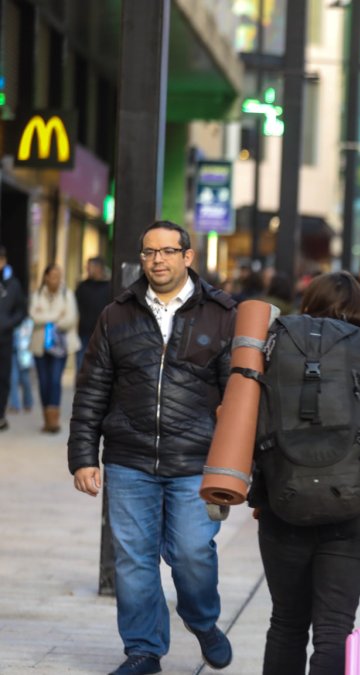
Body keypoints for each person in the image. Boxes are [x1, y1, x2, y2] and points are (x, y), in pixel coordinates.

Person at [68, 221, 237, 675]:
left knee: (192, 553)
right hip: (129, 459)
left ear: (188, 256)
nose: (157, 260)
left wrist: (241, 465)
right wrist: (84, 456)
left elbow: (240, 399)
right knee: (134, 560)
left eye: (167, 251)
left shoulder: (222, 314)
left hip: (195, 461)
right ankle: (143, 650)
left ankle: (202, 621)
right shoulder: (117, 314)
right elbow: (92, 390)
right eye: (148, 253)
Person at [255, 271, 360, 674]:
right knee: (335, 629)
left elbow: (238, 425)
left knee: (286, 624)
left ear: (307, 307)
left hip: (285, 507)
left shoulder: (271, 360)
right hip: (356, 510)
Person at [29, 264, 80, 434]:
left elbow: (71, 318)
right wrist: (56, 317)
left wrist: (48, 319)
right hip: (40, 346)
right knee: (43, 382)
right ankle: (46, 418)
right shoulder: (37, 295)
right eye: (53, 275)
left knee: (54, 380)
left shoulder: (68, 294)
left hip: (60, 347)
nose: (57, 279)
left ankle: (53, 421)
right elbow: (34, 316)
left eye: (59, 275)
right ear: (46, 277)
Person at [0, 245, 27, 432]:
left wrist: (9, 322)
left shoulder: (13, 284)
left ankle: (1, 415)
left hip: (5, 338)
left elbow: (22, 310)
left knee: (3, 377)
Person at [76, 256, 113, 372]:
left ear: (99, 268)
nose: (87, 269)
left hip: (102, 335)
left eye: (90, 266)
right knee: (81, 367)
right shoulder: (82, 287)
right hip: (84, 333)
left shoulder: (109, 287)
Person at [9, 317, 34, 415]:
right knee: (13, 378)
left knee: (25, 379)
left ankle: (28, 403)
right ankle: (15, 405)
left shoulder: (26, 319)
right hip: (11, 349)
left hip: (24, 351)